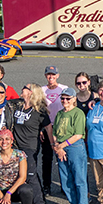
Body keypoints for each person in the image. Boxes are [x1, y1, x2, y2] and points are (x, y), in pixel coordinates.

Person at [11, 83, 50, 204]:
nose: (22, 88)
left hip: (30, 147)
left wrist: (52, 143)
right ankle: (29, 199)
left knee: (30, 174)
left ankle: (39, 203)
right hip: (17, 146)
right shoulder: (18, 105)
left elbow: (48, 127)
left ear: (31, 92)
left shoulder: (39, 111)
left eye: (25, 87)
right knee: (23, 173)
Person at [53, 88, 88, 204]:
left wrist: (61, 146)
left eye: (68, 98)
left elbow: (78, 134)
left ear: (74, 99)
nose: (65, 101)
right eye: (63, 98)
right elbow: (55, 132)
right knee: (65, 177)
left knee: (79, 177)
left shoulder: (78, 113)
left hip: (74, 147)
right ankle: (72, 203)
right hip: (61, 147)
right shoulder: (60, 114)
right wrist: (58, 147)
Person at [40, 65, 69, 197]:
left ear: (57, 76)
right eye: (48, 75)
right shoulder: (41, 90)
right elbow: (39, 110)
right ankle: (46, 186)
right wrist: (41, 127)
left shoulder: (64, 89)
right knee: (47, 158)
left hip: (61, 128)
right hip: (47, 127)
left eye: (53, 75)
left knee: (63, 158)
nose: (51, 77)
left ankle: (65, 185)